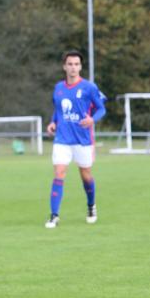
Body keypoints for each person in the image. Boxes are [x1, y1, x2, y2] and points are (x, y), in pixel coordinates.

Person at [45, 50, 107, 228]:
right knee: (59, 173)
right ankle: (54, 216)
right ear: (64, 66)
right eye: (70, 64)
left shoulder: (89, 87)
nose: (73, 67)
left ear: (80, 66)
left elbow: (101, 109)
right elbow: (58, 110)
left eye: (76, 64)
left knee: (85, 175)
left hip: (82, 139)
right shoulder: (58, 88)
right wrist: (52, 123)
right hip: (62, 139)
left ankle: (91, 206)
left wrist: (91, 119)